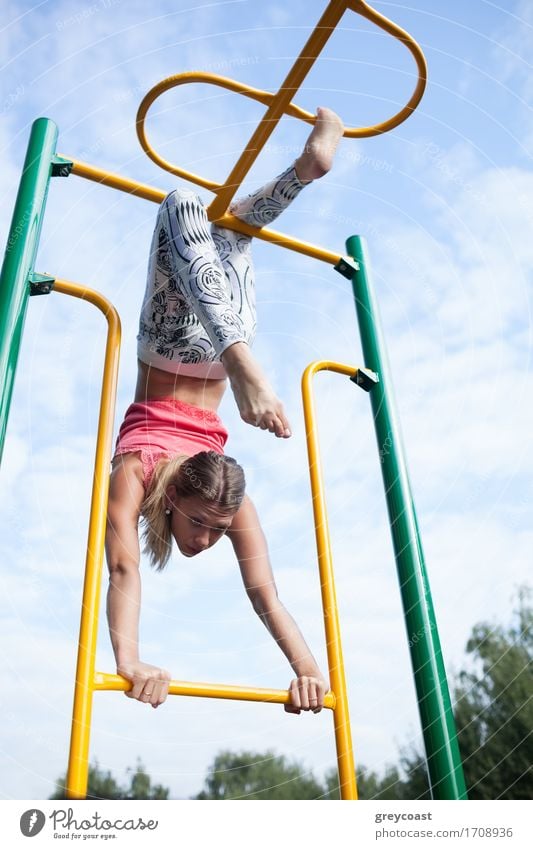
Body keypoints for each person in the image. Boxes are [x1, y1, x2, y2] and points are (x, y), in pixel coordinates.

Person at [105, 107, 344, 713]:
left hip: (202, 333)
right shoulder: (199, 488)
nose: (208, 537)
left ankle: (303, 172)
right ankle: (247, 365)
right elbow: (261, 590)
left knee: (211, 223)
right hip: (216, 345)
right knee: (191, 213)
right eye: (204, 525)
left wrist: (310, 673)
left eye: (207, 526)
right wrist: (129, 662)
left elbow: (124, 566)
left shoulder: (137, 470)